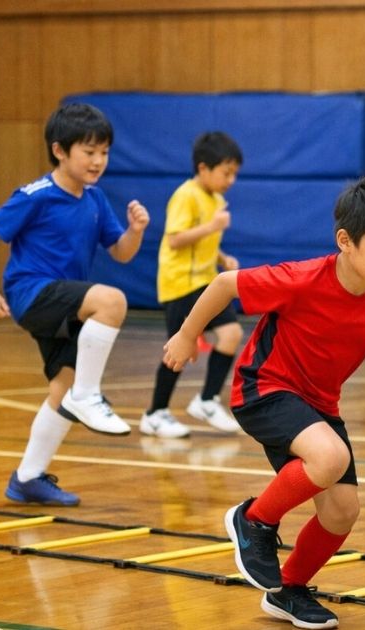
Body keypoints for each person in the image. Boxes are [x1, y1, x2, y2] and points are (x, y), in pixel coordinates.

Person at [162, 176, 365, 630]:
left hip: (319, 404)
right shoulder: (303, 279)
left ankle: (287, 591)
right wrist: (187, 336)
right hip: (264, 388)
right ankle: (253, 521)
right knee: (329, 456)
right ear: (345, 241)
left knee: (343, 510)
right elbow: (226, 284)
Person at [0, 103, 149, 506]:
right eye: (89, 152)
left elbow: (120, 252)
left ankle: (27, 477)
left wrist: (136, 230)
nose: (98, 161)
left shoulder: (95, 198)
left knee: (62, 384)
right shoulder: (36, 196)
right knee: (113, 301)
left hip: (63, 299)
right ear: (60, 151)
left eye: (104, 152)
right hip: (31, 292)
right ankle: (88, 397)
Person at [140, 131, 246, 439]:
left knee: (232, 333)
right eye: (226, 173)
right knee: (178, 350)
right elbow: (175, 240)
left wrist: (223, 257)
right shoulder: (186, 195)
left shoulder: (216, 199)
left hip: (203, 282)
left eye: (234, 174)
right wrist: (212, 226)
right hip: (180, 285)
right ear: (203, 168)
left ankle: (207, 400)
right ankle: (155, 413)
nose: (231, 180)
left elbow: (204, 242)